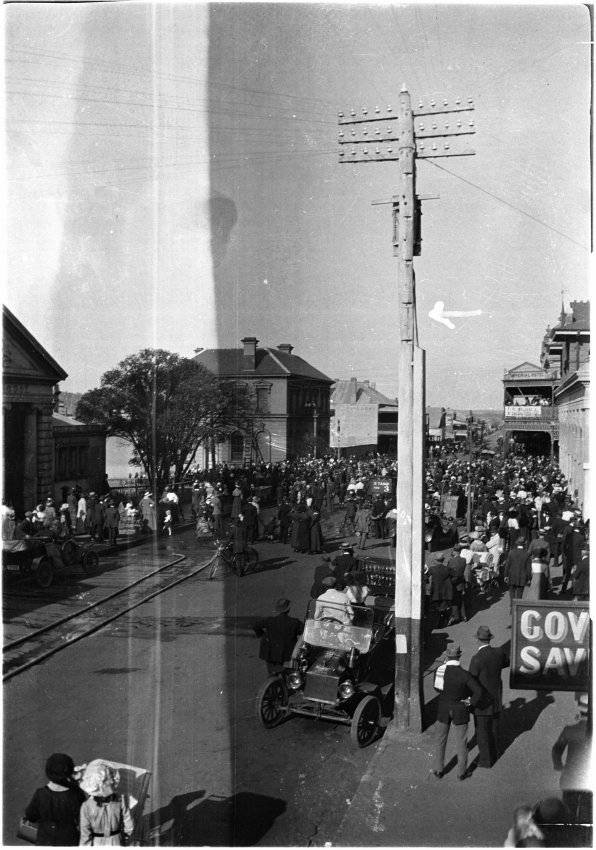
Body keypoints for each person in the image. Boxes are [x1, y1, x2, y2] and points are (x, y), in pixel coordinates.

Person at [432, 645, 483, 780]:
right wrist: (469, 701)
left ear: (447, 656)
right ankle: (461, 772)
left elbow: (437, 688)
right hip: (460, 709)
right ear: (459, 656)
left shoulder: (439, 670)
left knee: (441, 739)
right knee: (462, 741)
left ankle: (439, 770)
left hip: (443, 708)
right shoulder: (465, 675)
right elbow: (478, 691)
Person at [468, 625, 509, 768]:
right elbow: (506, 662)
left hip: (482, 702)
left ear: (478, 641)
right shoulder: (498, 652)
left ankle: (486, 760)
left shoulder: (476, 659)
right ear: (489, 639)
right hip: (496, 698)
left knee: (482, 732)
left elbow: (471, 681)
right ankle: (497, 752)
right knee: (494, 728)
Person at [24, 752, 86, 846]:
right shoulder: (76, 794)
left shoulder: (40, 793)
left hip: (45, 840)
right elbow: (84, 819)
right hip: (69, 840)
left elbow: (30, 816)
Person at [551, 693, 592, 826]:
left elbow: (556, 749)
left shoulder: (569, 730)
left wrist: (558, 765)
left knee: (569, 811)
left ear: (580, 708)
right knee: (588, 813)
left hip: (570, 777)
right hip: (589, 779)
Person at [79, 759, 134, 846]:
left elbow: (85, 836)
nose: (112, 781)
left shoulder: (120, 800)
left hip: (109, 842)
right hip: (109, 842)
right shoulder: (87, 806)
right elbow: (85, 834)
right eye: (109, 778)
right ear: (100, 783)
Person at [253, 598, 303, 676]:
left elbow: (255, 626)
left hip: (270, 653)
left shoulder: (270, 621)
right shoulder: (294, 623)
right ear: (289, 609)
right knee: (287, 675)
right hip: (286, 655)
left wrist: (262, 634)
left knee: (271, 674)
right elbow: (304, 631)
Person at [503, 539, 531, 610]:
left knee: (512, 594)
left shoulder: (511, 552)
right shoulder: (527, 554)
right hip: (522, 577)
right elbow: (528, 568)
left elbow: (507, 565)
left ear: (516, 544)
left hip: (512, 575)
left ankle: (512, 608)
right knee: (519, 595)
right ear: (524, 544)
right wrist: (529, 578)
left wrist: (505, 575)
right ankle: (517, 610)